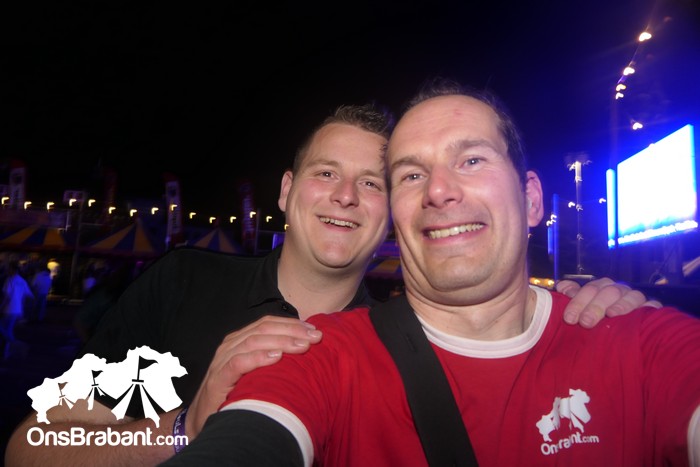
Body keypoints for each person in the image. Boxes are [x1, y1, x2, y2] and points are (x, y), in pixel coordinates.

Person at [6, 103, 654, 467]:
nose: (346, 195)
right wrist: (180, 431)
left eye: (372, 182)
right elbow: (31, 443)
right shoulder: (186, 281)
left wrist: (598, 315)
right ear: (287, 191)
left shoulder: (404, 342)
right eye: (325, 173)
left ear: (394, 211)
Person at [164, 80, 700, 466]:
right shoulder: (319, 354)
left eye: (472, 160)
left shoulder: (643, 344)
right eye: (412, 174)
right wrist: (184, 429)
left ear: (532, 199)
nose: (439, 190)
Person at [0, 257, 34, 359]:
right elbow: (29, 296)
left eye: (8, 268)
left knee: (5, 330)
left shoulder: (9, 280)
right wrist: (22, 307)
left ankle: (18, 345)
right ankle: (6, 352)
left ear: (12, 269)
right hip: (17, 310)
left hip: (8, 309)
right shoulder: (22, 281)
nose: (7, 270)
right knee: (8, 330)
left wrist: (1, 307)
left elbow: (7, 296)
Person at [28, 257, 53, 323]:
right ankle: (40, 318)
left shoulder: (38, 275)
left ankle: (33, 317)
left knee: (35, 305)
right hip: (44, 292)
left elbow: (33, 284)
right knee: (42, 306)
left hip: (37, 292)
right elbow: (50, 285)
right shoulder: (48, 276)